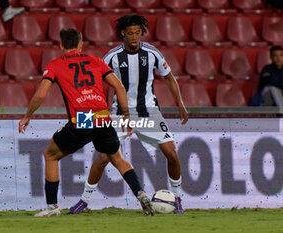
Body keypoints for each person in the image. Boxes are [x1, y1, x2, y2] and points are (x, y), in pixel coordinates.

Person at [19, 28, 155, 217]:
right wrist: (126, 115)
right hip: (103, 116)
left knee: (50, 155)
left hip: (84, 117)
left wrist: (27, 116)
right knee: (117, 158)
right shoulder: (96, 61)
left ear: (61, 45)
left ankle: (52, 207)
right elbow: (119, 86)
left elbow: (41, 94)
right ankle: (141, 194)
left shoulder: (55, 65)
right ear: (81, 44)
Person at [70, 15, 188, 214]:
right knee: (103, 158)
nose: (134, 37)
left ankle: (177, 198)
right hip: (118, 115)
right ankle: (84, 200)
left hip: (149, 113)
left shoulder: (152, 53)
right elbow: (99, 85)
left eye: (138, 33)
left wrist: (180, 103)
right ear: (123, 33)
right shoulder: (112, 57)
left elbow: (168, 77)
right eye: (130, 33)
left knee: (172, 154)